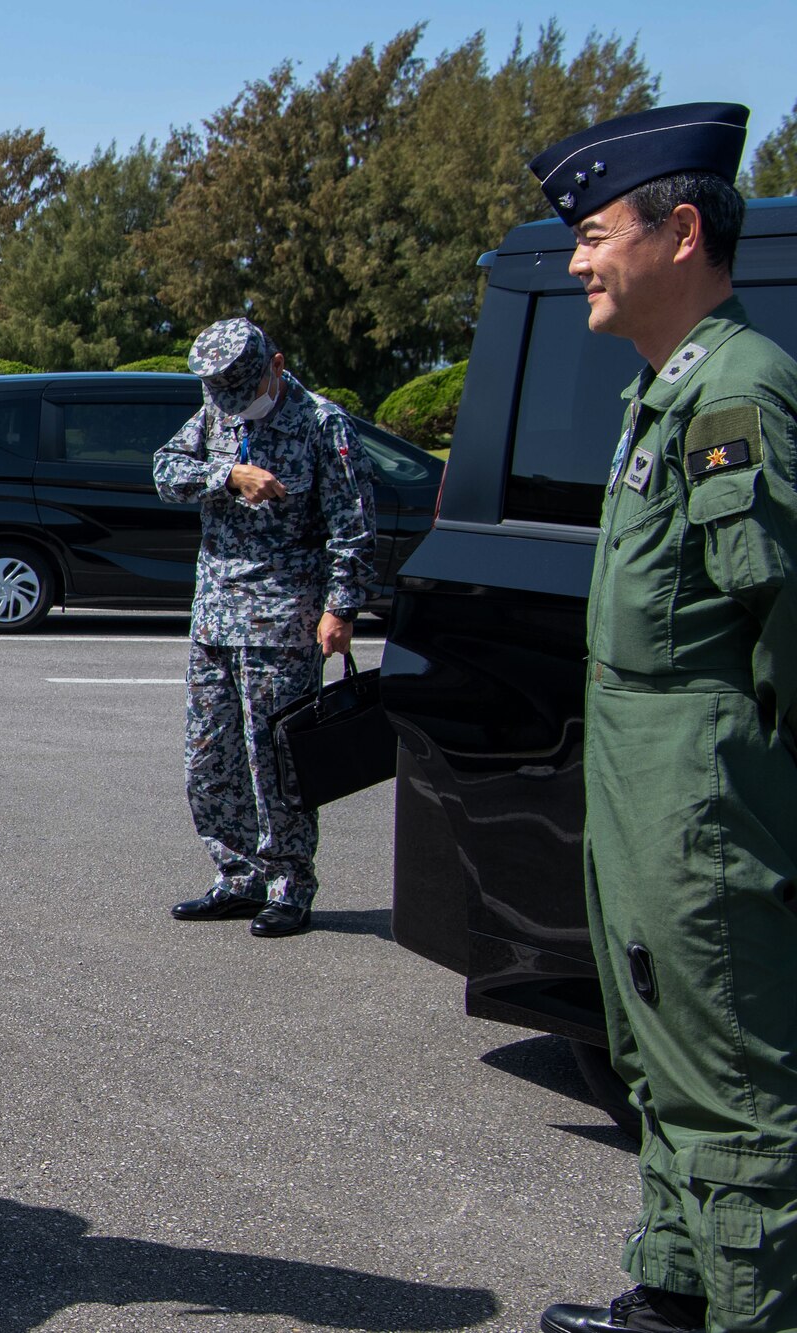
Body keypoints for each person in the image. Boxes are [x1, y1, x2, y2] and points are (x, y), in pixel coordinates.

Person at [528, 103, 797, 1333]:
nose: (577, 260)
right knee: (660, 1045)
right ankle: (679, 1294)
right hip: (646, 787)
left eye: (592, 234)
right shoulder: (667, 392)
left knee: (733, 1080)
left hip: (701, 800)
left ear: (676, 231)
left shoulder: (737, 393)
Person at [154, 319, 377, 938]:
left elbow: (352, 524)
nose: (233, 408)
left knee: (274, 760)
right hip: (216, 614)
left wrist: (342, 606)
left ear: (276, 366)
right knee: (209, 757)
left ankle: (287, 884)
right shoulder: (215, 413)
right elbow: (165, 471)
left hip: (283, 617)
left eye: (244, 392)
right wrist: (224, 475)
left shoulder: (321, 423)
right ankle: (238, 877)